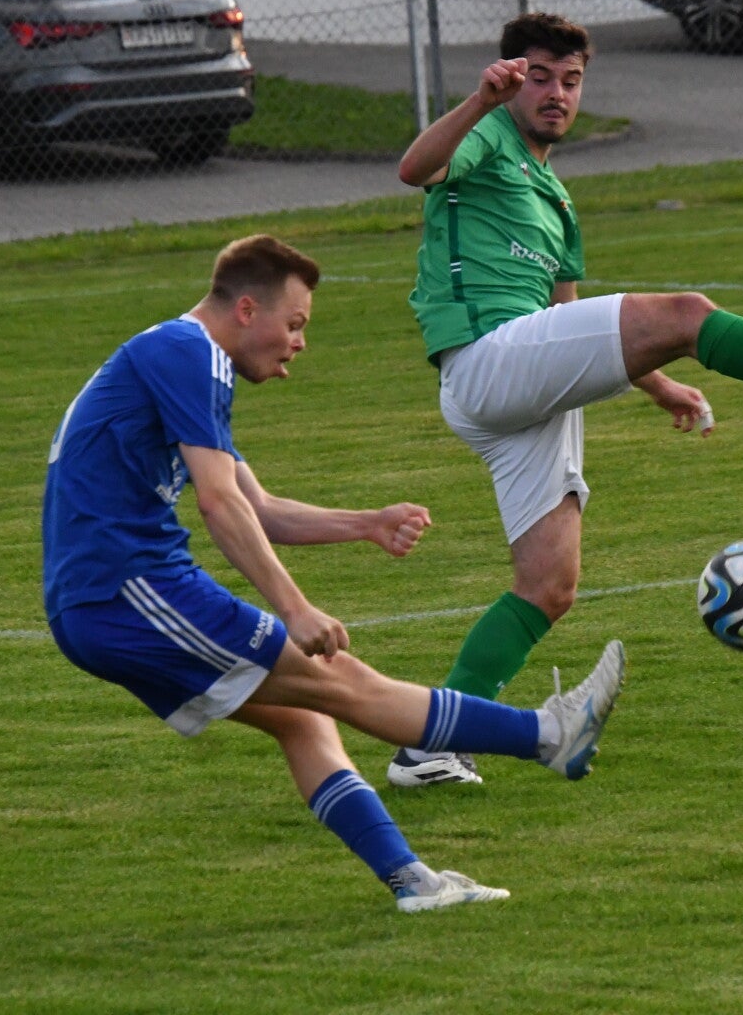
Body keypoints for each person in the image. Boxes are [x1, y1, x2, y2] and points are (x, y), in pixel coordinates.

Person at [388, 13, 743, 789]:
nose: (556, 94)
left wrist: (656, 384)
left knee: (549, 586)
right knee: (686, 313)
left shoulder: (556, 199)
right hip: (486, 357)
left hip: (522, 381)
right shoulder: (486, 135)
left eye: (571, 81)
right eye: (539, 77)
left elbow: (569, 317)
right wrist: (480, 101)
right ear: (510, 77)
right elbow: (414, 168)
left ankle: (432, 749)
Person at [42, 233, 627, 912]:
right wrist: (294, 608)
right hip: (128, 590)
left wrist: (367, 522)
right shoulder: (188, 352)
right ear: (246, 310)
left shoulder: (179, 358)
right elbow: (219, 503)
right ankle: (548, 735)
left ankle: (415, 884)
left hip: (105, 600)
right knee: (345, 683)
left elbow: (260, 508)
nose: (299, 344)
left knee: (304, 718)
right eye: (294, 324)